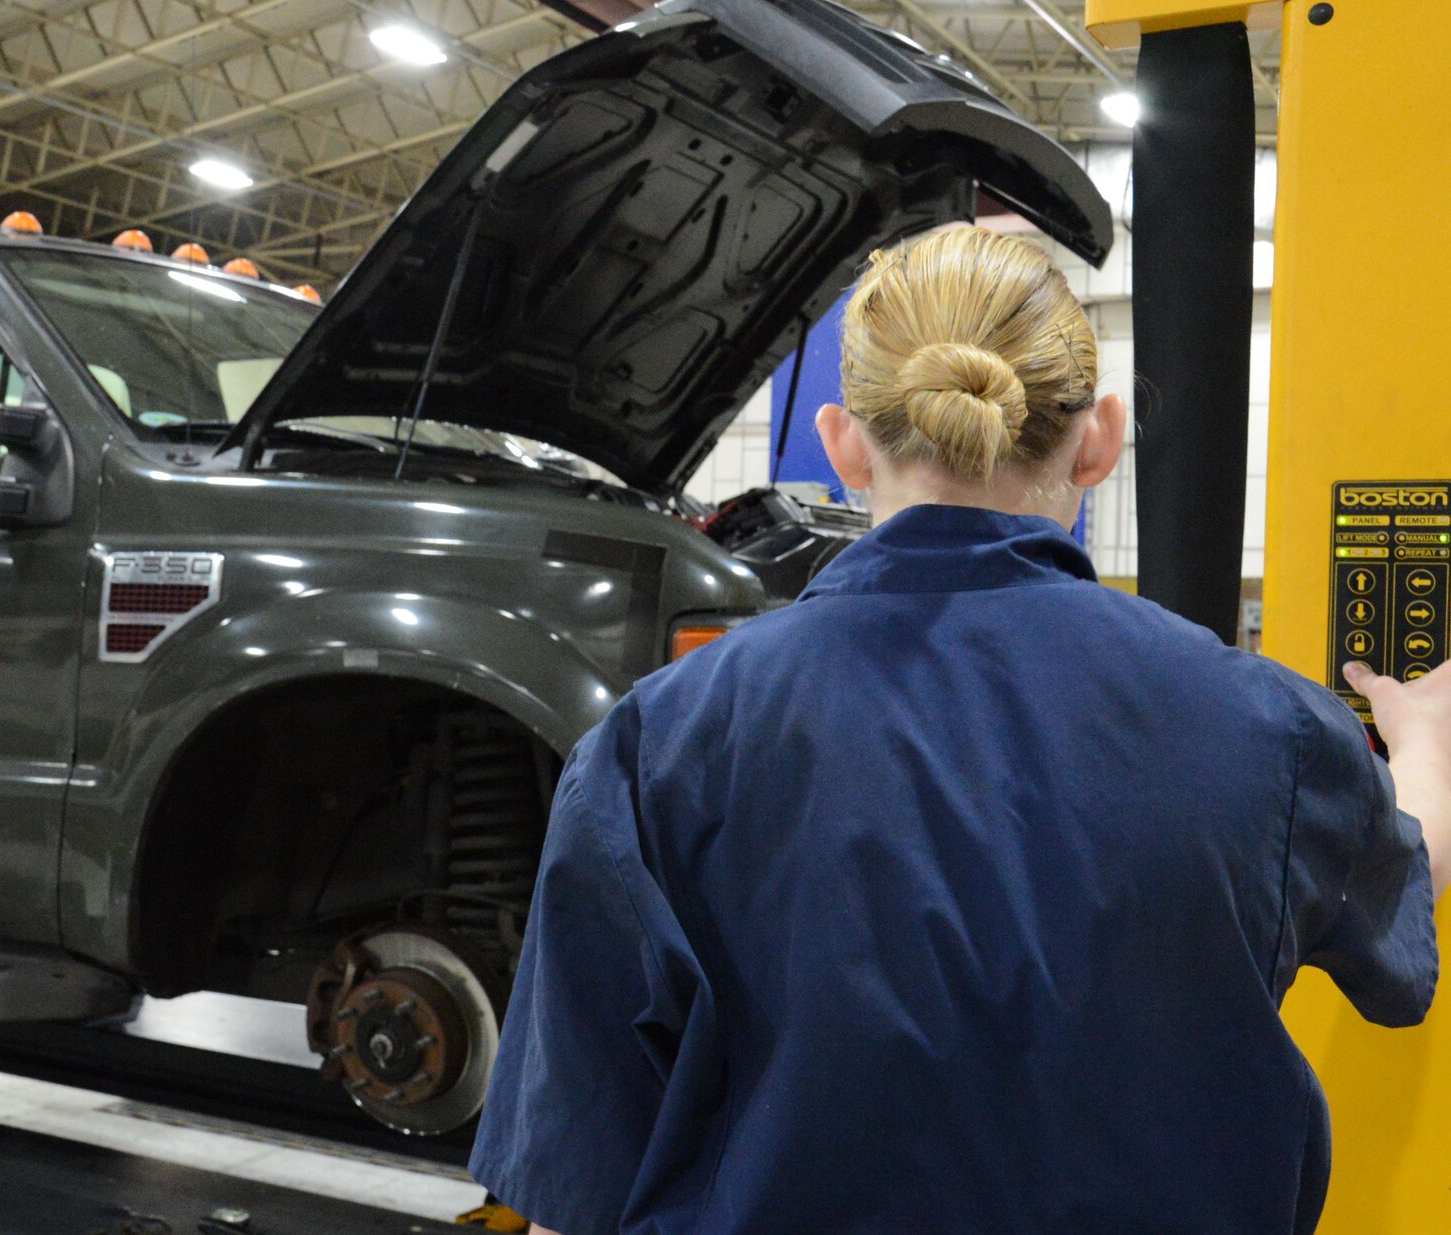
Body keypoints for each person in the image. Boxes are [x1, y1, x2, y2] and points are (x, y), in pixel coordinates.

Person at [467, 225, 1448, 1235]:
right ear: (1100, 436)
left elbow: (573, 1191)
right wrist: (1425, 742)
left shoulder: (654, 749)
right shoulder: (1264, 729)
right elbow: (1399, 873)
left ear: (844, 441)